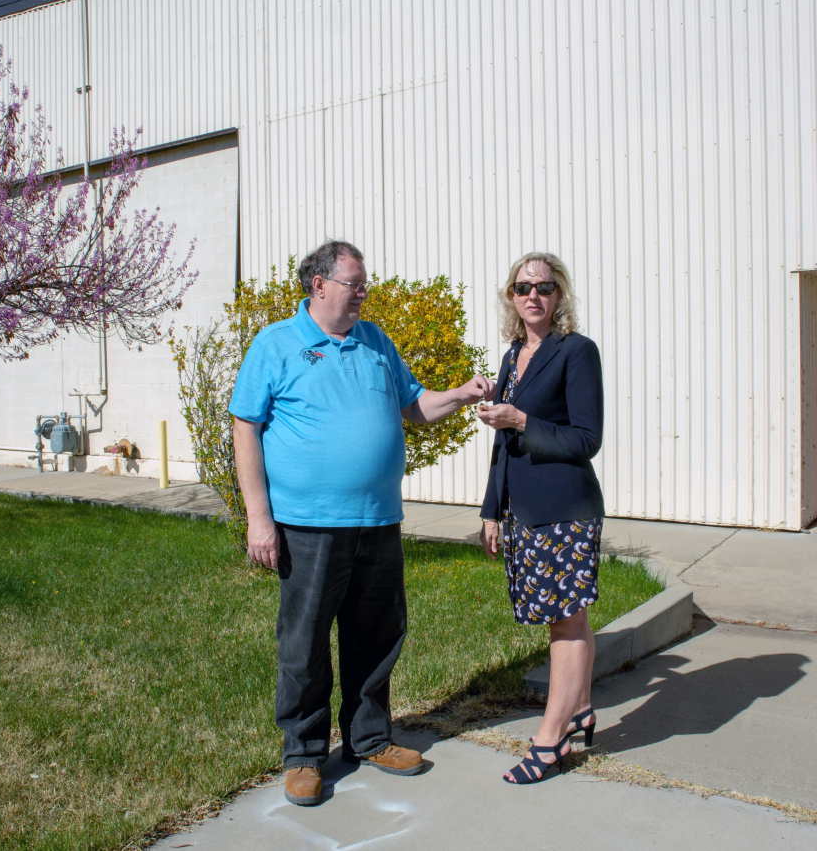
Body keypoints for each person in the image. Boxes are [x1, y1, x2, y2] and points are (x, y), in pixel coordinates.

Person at [230, 240, 495, 807]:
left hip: (377, 520)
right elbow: (245, 426)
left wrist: (462, 394)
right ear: (319, 285)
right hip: (308, 525)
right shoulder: (276, 345)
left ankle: (369, 737)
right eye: (355, 283)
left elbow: (413, 405)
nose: (363, 293)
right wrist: (259, 517)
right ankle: (304, 754)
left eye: (364, 283)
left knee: (376, 634)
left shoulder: (376, 342)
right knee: (303, 641)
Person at [475, 251, 605, 785]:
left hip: (565, 509)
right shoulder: (512, 356)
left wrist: (521, 417)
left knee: (564, 621)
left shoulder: (576, 351)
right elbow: (504, 445)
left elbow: (586, 440)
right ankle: (580, 709)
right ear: (511, 295)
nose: (534, 295)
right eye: (524, 287)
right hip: (524, 511)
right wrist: (491, 510)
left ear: (559, 296)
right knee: (569, 617)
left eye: (545, 287)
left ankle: (550, 741)